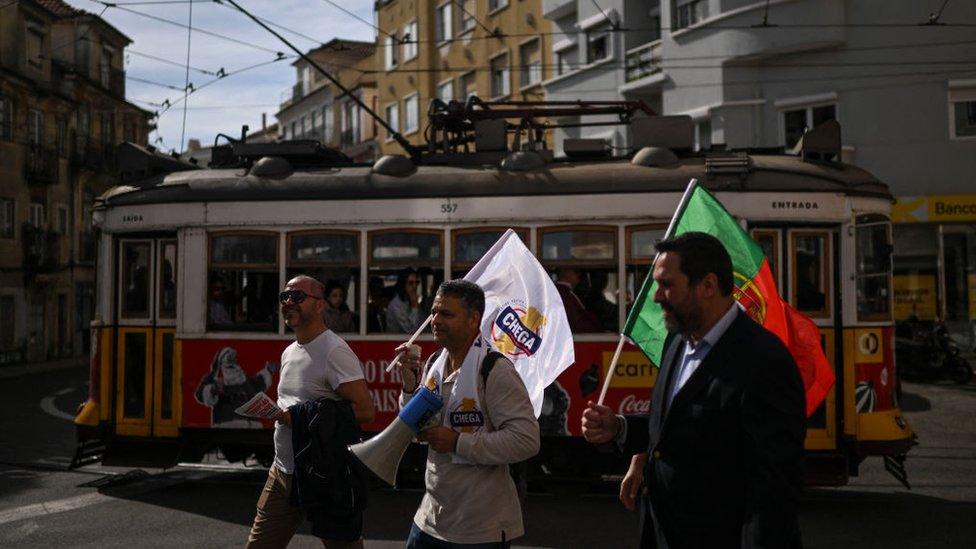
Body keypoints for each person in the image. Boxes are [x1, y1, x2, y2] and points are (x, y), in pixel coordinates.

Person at [581, 232, 805, 549]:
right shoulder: (677, 341)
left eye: (667, 285)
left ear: (708, 286)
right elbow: (677, 428)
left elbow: (772, 494)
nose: (656, 296)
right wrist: (620, 428)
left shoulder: (764, 362)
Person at [396, 279, 540, 548]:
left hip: (479, 529)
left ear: (474, 319)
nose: (435, 320)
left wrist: (457, 442)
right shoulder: (434, 362)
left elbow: (526, 440)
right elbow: (417, 428)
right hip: (430, 519)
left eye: (446, 314)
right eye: (433, 312)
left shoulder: (495, 370)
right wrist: (408, 385)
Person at [246, 275, 376, 549]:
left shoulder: (334, 350)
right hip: (283, 473)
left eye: (298, 297)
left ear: (319, 306)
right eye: (285, 297)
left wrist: (300, 416)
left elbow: (365, 411)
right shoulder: (289, 351)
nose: (289, 302)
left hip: (324, 475)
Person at [194, 346, 278, 428]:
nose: (231, 360)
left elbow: (258, 384)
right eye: (228, 358)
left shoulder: (244, 379)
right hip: (226, 424)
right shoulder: (214, 379)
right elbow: (200, 394)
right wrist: (212, 389)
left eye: (233, 358)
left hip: (250, 426)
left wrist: (268, 370)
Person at [554, 267, 603, 332]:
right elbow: (576, 322)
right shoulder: (563, 294)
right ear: (564, 271)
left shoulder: (566, 293)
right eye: (575, 271)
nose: (579, 274)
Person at [386, 268, 423, 333]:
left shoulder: (409, 300)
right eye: (410, 283)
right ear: (403, 284)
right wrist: (414, 306)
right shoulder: (396, 305)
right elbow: (411, 330)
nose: (414, 286)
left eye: (416, 282)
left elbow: (422, 322)